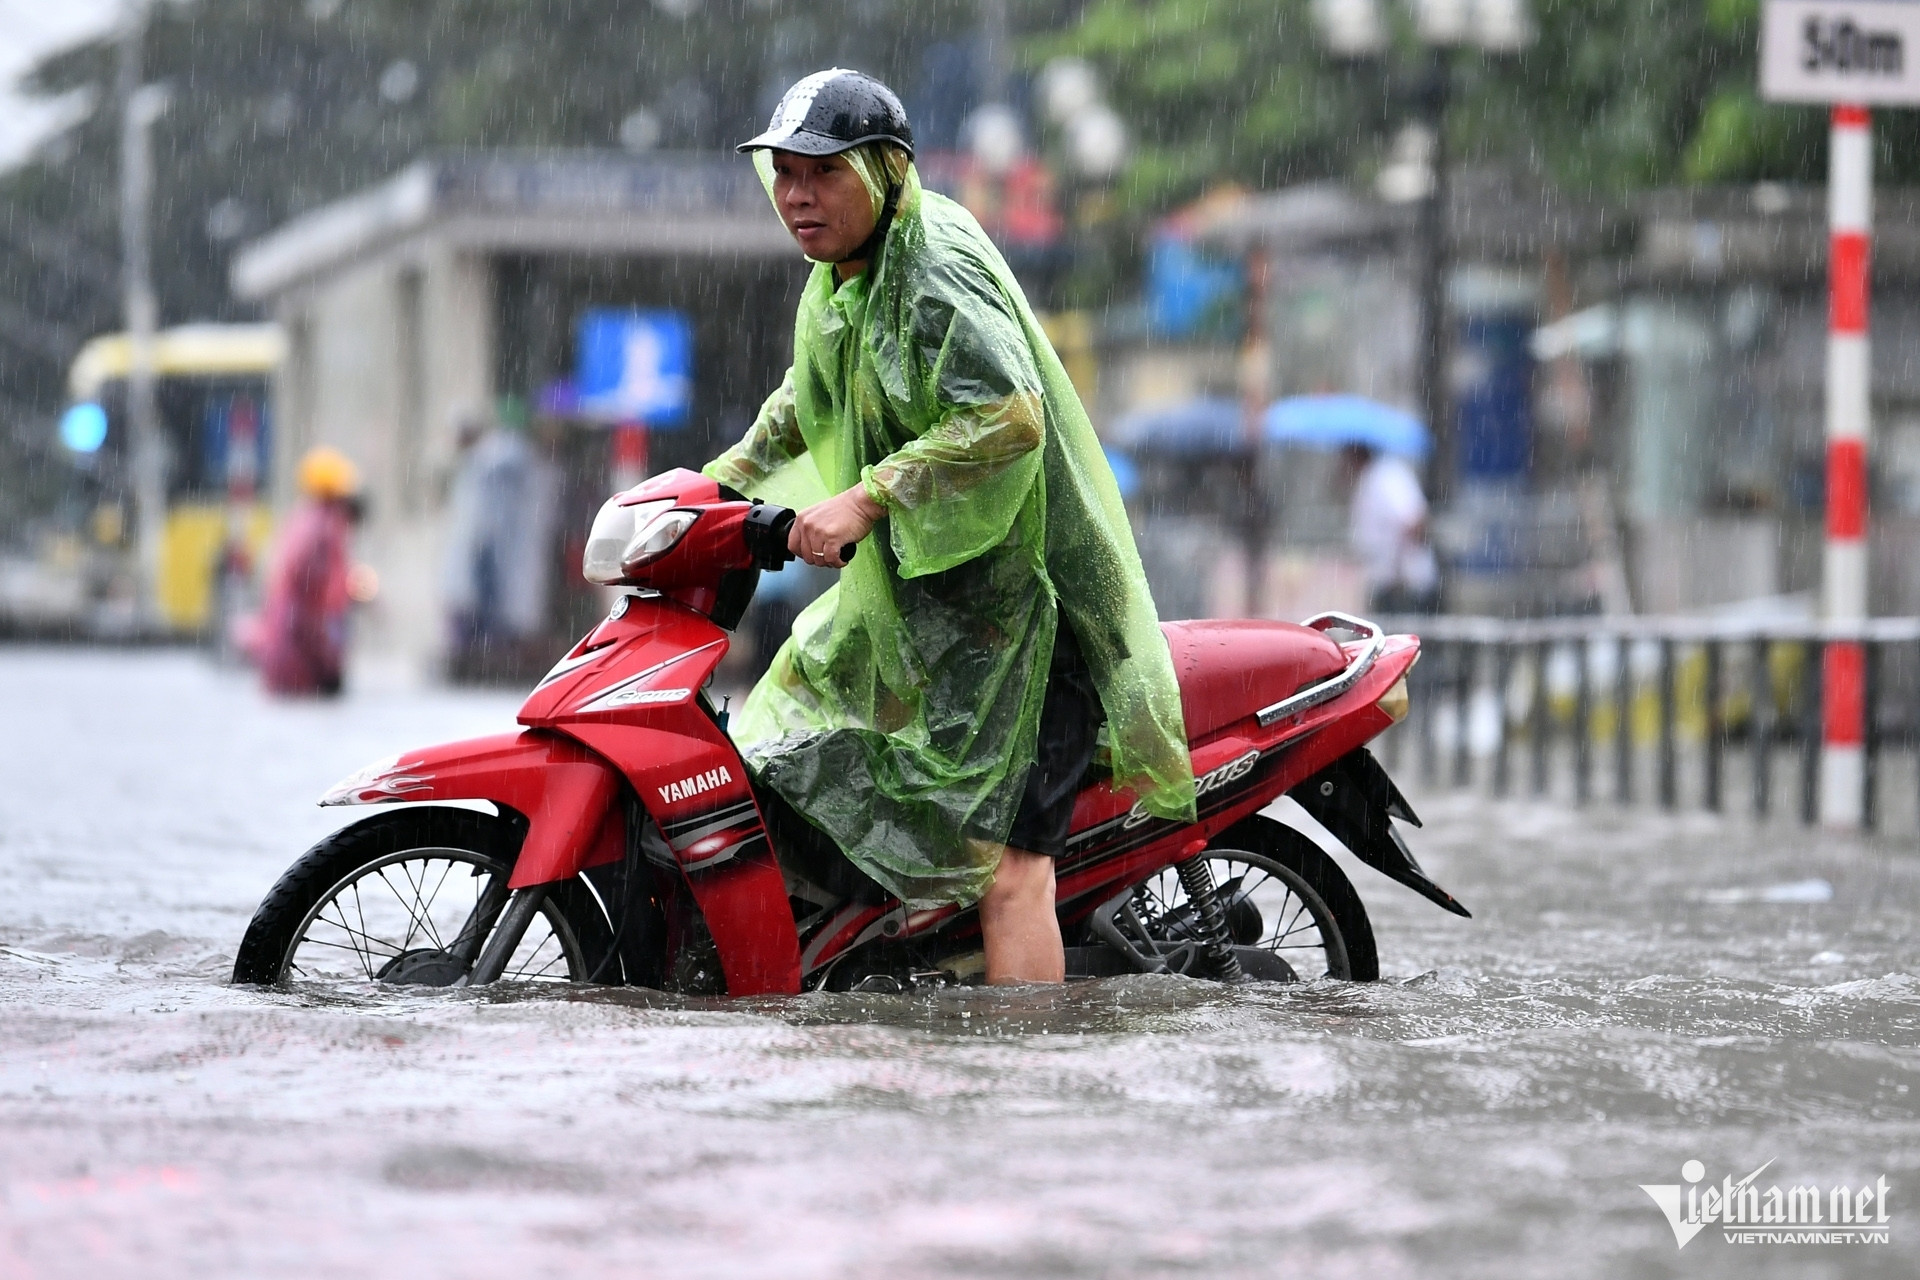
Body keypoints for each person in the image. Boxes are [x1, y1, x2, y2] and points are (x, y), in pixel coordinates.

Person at [704, 70, 1196, 984]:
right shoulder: (843, 280)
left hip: (1037, 619)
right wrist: (714, 480)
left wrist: (863, 497)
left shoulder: (931, 270)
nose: (796, 195)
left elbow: (1008, 413)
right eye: (782, 172)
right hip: (939, 612)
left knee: (1007, 878)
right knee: (789, 753)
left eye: (822, 171)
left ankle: (1020, 1091)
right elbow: (810, 399)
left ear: (887, 171)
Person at [442, 398, 561, 679]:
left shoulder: (498, 458)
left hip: (494, 547)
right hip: (495, 549)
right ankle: (487, 653)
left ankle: (486, 656)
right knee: (491, 610)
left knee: (490, 611)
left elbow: (488, 515)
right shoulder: (497, 460)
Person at [251, 445, 362, 697]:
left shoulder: (306, 519)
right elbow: (318, 586)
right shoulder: (323, 527)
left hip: (290, 636)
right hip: (301, 641)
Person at [1343, 442, 1440, 615]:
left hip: (1405, 584)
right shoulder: (1368, 480)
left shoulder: (1387, 477)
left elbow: (1414, 521)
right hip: (1383, 580)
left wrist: (1398, 566)